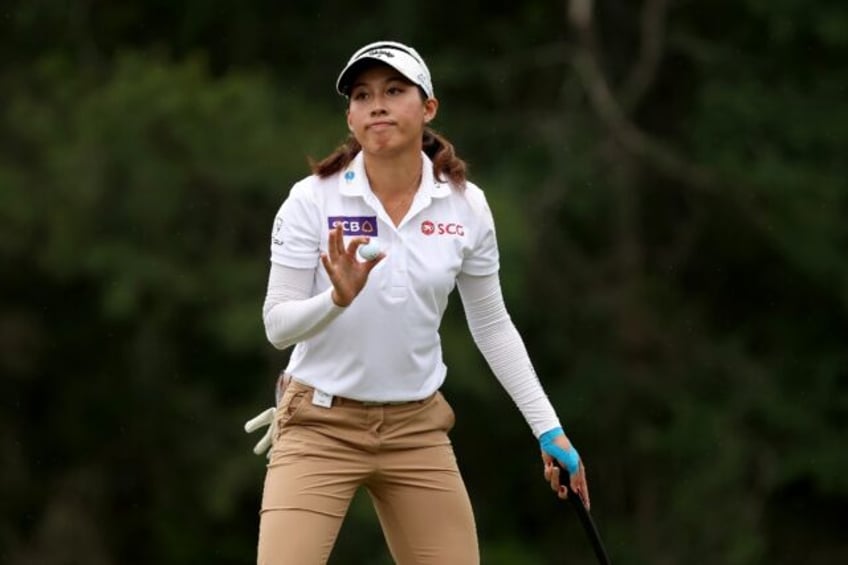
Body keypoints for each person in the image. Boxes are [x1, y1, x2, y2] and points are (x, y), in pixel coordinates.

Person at [249, 40, 590, 565]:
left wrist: (549, 429)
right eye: (362, 96)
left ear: (428, 107)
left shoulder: (466, 206)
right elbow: (277, 325)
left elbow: (492, 324)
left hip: (416, 430)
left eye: (394, 90)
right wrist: (336, 300)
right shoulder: (310, 199)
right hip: (319, 425)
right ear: (350, 116)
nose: (377, 105)